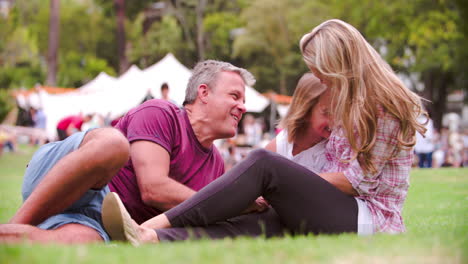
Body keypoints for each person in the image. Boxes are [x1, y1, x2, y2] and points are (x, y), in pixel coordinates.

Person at [101, 19, 427, 245]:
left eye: (322, 73)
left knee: (263, 165)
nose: (321, 81)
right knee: (247, 226)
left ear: (338, 62)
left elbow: (359, 182)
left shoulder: (385, 104)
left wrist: (283, 185)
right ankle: (149, 238)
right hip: (335, 210)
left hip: (368, 219)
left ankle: (151, 224)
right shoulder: (351, 101)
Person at [0, 60, 255, 244]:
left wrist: (238, 202)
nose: (242, 107)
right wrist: (223, 200)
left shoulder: (216, 165)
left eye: (243, 101)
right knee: (114, 145)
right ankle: (17, 222)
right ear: (203, 93)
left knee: (84, 243)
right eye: (235, 96)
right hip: (64, 176)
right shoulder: (161, 113)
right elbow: (153, 188)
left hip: (99, 221)